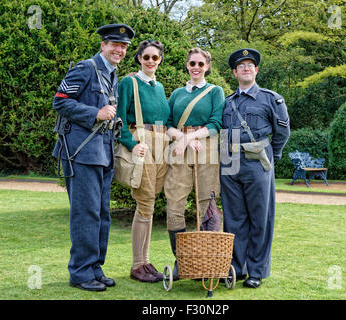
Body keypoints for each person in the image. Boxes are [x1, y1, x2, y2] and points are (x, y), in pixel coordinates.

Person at [52, 24, 134, 291]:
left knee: (101, 214)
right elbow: (61, 100)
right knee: (85, 213)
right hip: (81, 152)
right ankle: (80, 272)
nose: (119, 50)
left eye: (123, 47)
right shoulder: (85, 68)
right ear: (103, 45)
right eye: (114, 44)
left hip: (103, 153)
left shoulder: (112, 75)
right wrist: (94, 113)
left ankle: (94, 267)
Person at [220, 48, 290, 288]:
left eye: (250, 65)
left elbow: (282, 132)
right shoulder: (227, 102)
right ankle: (237, 268)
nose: (246, 68)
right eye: (241, 66)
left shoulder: (271, 99)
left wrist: (273, 155)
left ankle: (256, 271)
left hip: (257, 162)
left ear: (257, 70)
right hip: (230, 163)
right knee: (234, 219)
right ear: (234, 72)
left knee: (261, 217)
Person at [164, 47, 225, 280]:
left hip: (205, 147)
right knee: (175, 202)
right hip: (179, 149)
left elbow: (216, 123)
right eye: (192, 64)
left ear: (207, 66)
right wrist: (181, 138)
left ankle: (207, 260)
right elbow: (167, 123)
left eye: (201, 64)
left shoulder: (214, 91)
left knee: (206, 201)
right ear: (187, 66)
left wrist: (190, 137)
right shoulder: (178, 93)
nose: (196, 68)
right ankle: (182, 261)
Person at [117, 40, 170, 283]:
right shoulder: (129, 82)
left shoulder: (158, 87)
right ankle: (138, 264)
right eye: (146, 57)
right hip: (142, 142)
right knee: (145, 202)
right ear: (138, 58)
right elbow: (118, 120)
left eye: (155, 58)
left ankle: (145, 262)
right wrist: (132, 144)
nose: (150, 61)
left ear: (160, 60)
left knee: (150, 201)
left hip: (161, 143)